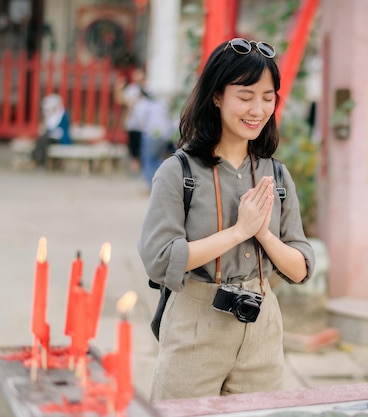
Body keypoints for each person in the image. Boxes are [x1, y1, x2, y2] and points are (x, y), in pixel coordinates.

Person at [137, 38, 316, 401]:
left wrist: (263, 234)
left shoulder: (276, 176)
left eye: (268, 97)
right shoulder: (178, 172)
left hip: (262, 327)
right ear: (216, 97)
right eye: (246, 96)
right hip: (196, 322)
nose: (258, 109)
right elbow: (159, 260)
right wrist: (239, 231)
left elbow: (299, 269)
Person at [131, 88, 173, 189]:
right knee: (157, 159)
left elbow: (138, 122)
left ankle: (151, 186)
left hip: (150, 135)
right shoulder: (161, 104)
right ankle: (161, 184)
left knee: (148, 160)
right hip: (164, 135)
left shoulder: (142, 104)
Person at [114, 67, 145, 172]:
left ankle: (141, 165)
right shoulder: (131, 89)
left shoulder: (148, 89)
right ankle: (135, 165)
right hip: (133, 121)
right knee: (133, 144)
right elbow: (122, 100)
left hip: (145, 123)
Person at [31, 94, 72, 167]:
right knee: (43, 140)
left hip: (60, 139)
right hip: (49, 139)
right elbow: (45, 129)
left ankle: (35, 156)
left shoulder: (63, 115)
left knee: (44, 139)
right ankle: (40, 161)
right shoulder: (49, 116)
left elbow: (63, 130)